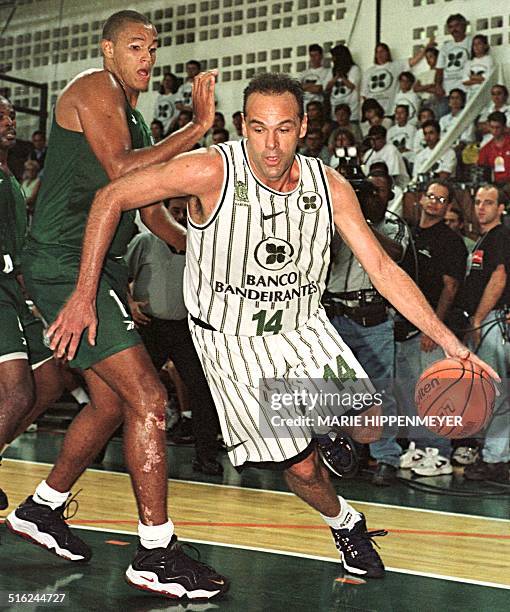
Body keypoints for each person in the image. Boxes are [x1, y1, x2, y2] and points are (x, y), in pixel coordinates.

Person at [45, 73, 498, 580]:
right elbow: (110, 197)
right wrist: (84, 295)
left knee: (369, 422)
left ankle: (318, 423)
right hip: (233, 345)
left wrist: (448, 339)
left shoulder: (329, 185)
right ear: (242, 126)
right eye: (258, 129)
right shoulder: (208, 170)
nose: (271, 144)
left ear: (303, 126)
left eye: (283, 129)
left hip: (304, 328)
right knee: (302, 468)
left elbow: (383, 268)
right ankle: (346, 523)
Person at [6, 10, 228, 601]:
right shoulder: (94, 89)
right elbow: (121, 170)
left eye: (152, 48)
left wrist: (199, 249)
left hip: (94, 263)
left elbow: (148, 206)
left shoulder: (130, 112)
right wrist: (198, 127)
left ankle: (43, 508)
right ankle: (156, 551)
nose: (146, 57)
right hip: (62, 262)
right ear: (108, 50)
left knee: (108, 405)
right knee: (150, 397)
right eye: (135, 46)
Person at [125, 197, 222, 475]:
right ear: (163, 213)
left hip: (184, 330)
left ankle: (206, 456)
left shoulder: (198, 245)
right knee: (129, 391)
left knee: (202, 390)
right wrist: (129, 302)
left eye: (184, 213)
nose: (179, 217)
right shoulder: (144, 242)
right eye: (175, 211)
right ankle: (99, 449)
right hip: (149, 327)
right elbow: (119, 274)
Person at [324, 169, 409, 485]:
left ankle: (386, 457)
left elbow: (396, 255)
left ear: (388, 195)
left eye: (376, 191)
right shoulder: (339, 218)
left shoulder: (394, 225)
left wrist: (360, 224)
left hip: (373, 321)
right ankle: (347, 456)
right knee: (340, 392)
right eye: (364, 190)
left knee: (380, 392)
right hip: (336, 318)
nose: (369, 196)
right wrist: (346, 211)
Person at [0, 96, 63, 510]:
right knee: (19, 394)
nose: (11, 120)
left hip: (15, 292)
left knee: (56, 376)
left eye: (11, 114)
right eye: (1, 114)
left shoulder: (10, 176)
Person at [395, 180, 467, 475]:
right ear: (421, 199)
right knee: (410, 390)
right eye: (431, 196)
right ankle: (419, 446)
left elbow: (450, 288)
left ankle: (439, 452)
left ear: (448, 206)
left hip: (431, 329)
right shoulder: (409, 235)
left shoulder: (450, 241)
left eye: (442, 199)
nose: (435, 202)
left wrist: (432, 328)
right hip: (403, 326)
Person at [456, 185, 510, 482]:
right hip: (486, 319)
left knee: (498, 392)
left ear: (501, 208)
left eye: (489, 203)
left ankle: (496, 458)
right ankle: (494, 452)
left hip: (493, 319)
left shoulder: (500, 235)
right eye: (477, 202)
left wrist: (478, 317)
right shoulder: (484, 239)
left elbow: (499, 277)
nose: (481, 208)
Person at [361, 42, 430, 117]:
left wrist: (426, 47)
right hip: (373, 115)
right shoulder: (368, 72)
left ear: (387, 53)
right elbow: (364, 94)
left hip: (390, 112)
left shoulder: (396, 65)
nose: (379, 54)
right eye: (377, 52)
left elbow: (414, 60)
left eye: (382, 51)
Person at [435, 14, 472, 116]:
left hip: (466, 90)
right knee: (442, 119)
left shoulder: (472, 42)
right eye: (451, 27)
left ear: (464, 26)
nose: (454, 29)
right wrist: (438, 85)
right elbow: (439, 69)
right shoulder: (446, 46)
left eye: (457, 25)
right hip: (447, 91)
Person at [326, 44, 361, 121]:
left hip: (351, 107)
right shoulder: (332, 71)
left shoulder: (354, 69)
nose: (333, 59)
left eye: (335, 56)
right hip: (335, 107)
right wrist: (335, 77)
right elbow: (327, 87)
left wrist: (342, 76)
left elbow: (352, 86)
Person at [477, 111, 510, 188]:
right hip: (498, 185)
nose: (495, 130)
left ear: (504, 127)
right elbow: (482, 170)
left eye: (497, 127)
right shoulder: (486, 148)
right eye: (492, 127)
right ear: (488, 127)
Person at [462, 35, 495, 101]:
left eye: (479, 43)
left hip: (484, 92)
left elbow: (488, 78)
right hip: (471, 93)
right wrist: (479, 79)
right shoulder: (469, 63)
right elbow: (465, 81)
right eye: (474, 44)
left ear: (485, 46)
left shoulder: (489, 59)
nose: (476, 46)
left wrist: (472, 77)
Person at [298, 44, 330, 109]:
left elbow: (319, 89)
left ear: (321, 56)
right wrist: (313, 86)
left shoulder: (327, 71)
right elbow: (297, 88)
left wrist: (305, 86)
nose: (313, 58)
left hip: (320, 107)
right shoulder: (304, 73)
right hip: (304, 107)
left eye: (316, 55)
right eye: (311, 55)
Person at [153, 72, 179, 136]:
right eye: (165, 80)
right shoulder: (159, 97)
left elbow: (176, 113)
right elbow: (156, 112)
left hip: (170, 127)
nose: (167, 82)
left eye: (169, 80)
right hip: (159, 127)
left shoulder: (176, 96)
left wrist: (170, 126)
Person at [21, 159, 41, 224]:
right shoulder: (24, 182)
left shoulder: (38, 182)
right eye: (28, 170)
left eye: (33, 170)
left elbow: (32, 198)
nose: (30, 172)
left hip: (30, 211)